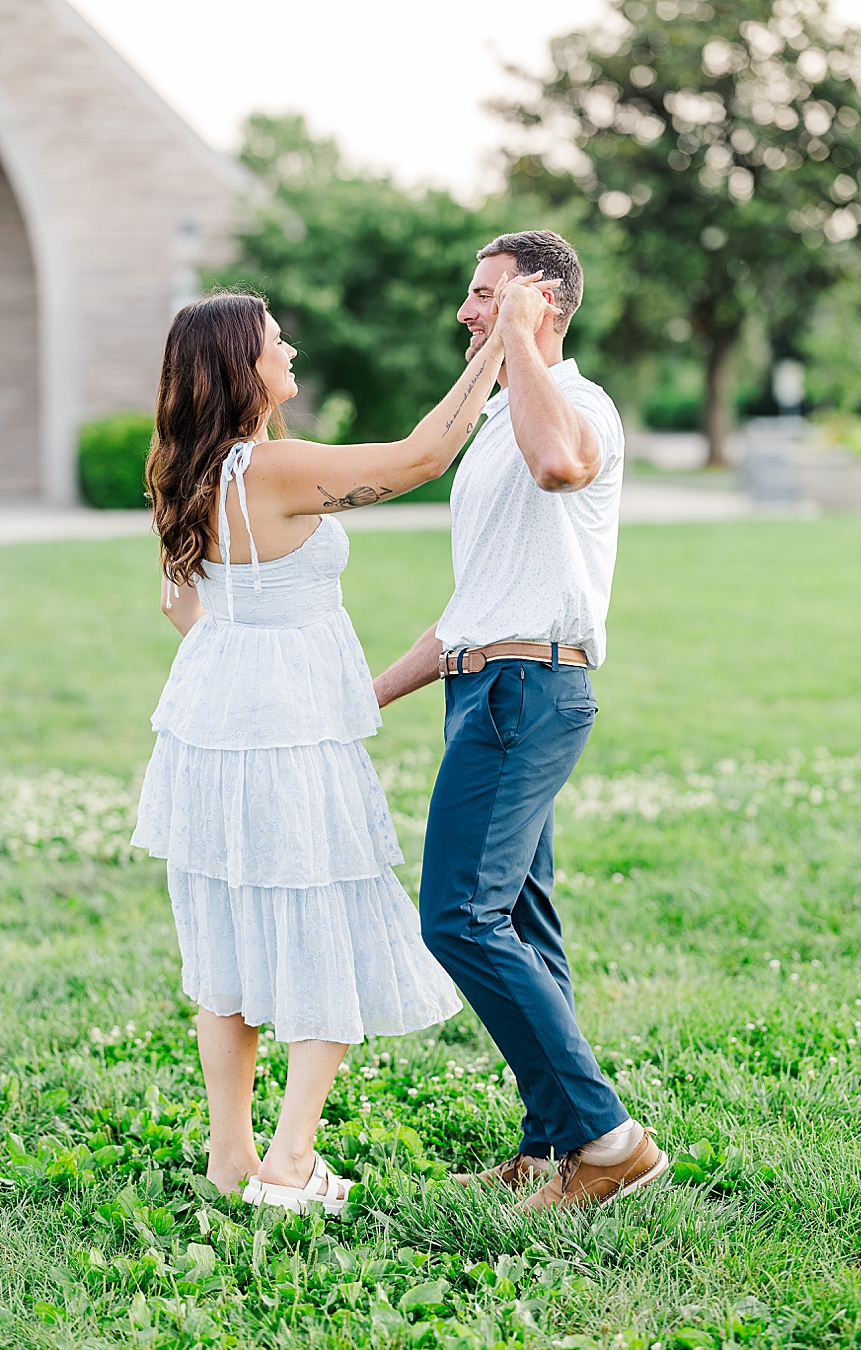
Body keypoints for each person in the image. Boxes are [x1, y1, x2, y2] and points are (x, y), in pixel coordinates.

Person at [132, 281, 554, 1213]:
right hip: (287, 733)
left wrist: (244, 660)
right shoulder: (268, 469)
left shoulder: (187, 466)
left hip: (209, 726)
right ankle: (289, 1163)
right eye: (277, 340)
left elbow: (182, 606)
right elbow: (419, 457)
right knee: (322, 926)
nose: (293, 354)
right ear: (242, 365)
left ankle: (230, 1156)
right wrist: (505, 340)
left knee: (229, 937)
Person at [373, 231, 669, 1211]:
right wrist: (358, 700)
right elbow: (474, 612)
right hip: (488, 685)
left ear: (541, 300)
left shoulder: (572, 404)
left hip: (530, 690)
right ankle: (550, 1147)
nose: (469, 311)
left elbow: (560, 467)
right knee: (518, 919)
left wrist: (522, 342)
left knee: (457, 913)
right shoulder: (500, 418)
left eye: (487, 295)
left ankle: (609, 1140)